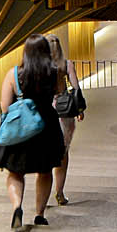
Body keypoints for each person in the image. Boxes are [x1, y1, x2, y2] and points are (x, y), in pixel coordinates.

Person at [0, 34, 69, 232]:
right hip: (47, 126)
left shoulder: (13, 74)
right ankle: (39, 214)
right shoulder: (55, 73)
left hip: (21, 127)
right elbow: (60, 92)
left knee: (15, 173)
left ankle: (17, 207)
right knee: (45, 172)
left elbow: (4, 106)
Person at [51, 53, 87, 206]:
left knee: (46, 153)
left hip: (45, 110)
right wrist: (79, 109)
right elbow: (76, 87)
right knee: (63, 153)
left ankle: (44, 191)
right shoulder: (66, 64)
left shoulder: (39, 65)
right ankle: (59, 192)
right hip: (63, 110)